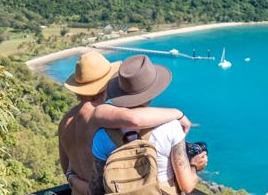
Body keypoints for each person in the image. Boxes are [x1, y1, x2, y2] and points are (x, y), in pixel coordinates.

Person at [58, 51, 192, 195]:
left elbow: (67, 168)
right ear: (107, 83)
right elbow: (134, 119)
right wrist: (178, 113)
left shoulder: (65, 120)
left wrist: (73, 180)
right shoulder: (98, 112)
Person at [92, 55, 207, 195]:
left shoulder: (102, 135)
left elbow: (96, 187)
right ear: (153, 91)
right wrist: (194, 165)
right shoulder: (171, 128)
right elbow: (186, 185)